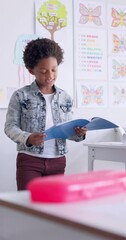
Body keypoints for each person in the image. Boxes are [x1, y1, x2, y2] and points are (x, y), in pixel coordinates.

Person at [4, 38, 87, 190]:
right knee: (27, 204)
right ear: (31, 70)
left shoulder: (65, 97)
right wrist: (28, 138)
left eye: (54, 70)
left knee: (52, 206)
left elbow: (69, 131)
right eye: (43, 71)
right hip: (29, 161)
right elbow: (10, 127)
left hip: (58, 161)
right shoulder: (20, 95)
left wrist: (79, 133)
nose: (50, 75)